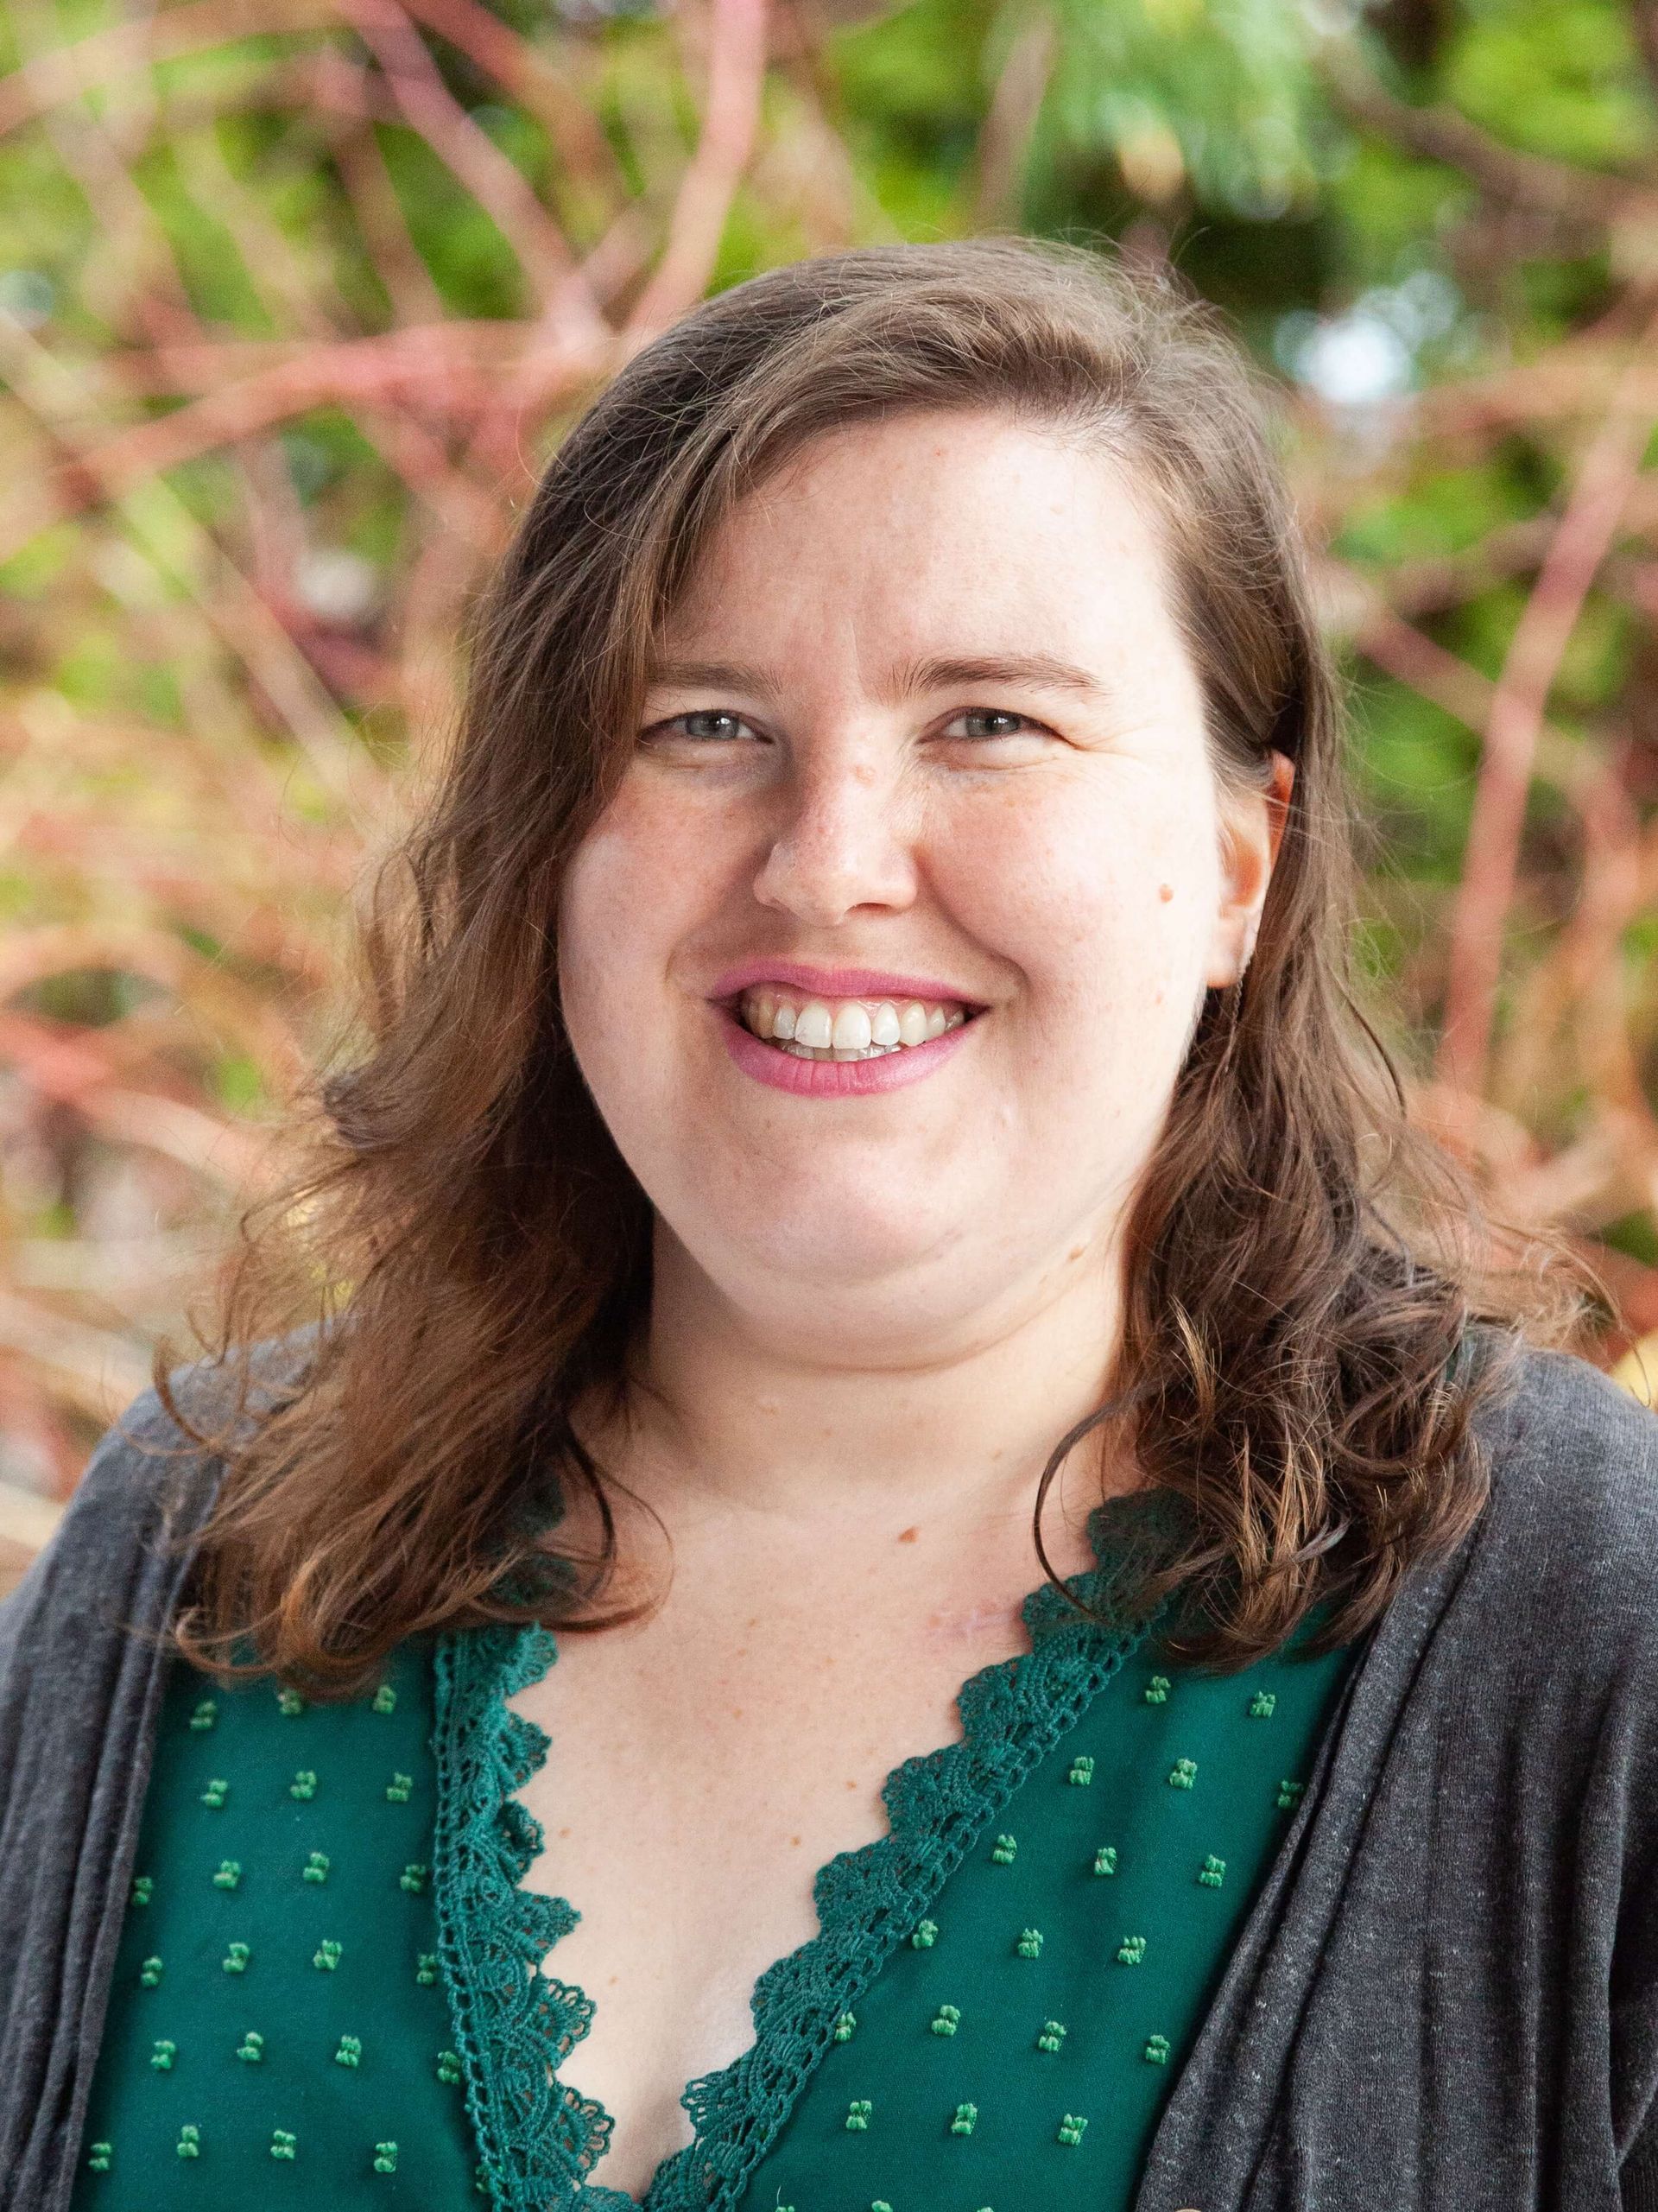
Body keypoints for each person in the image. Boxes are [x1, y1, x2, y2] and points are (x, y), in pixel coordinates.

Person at [3, 238, 1658, 2212]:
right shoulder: (194, 1562)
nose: (833, 861)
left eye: (990, 724)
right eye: (702, 723)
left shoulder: (1583, 1620)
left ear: (1238, 864)